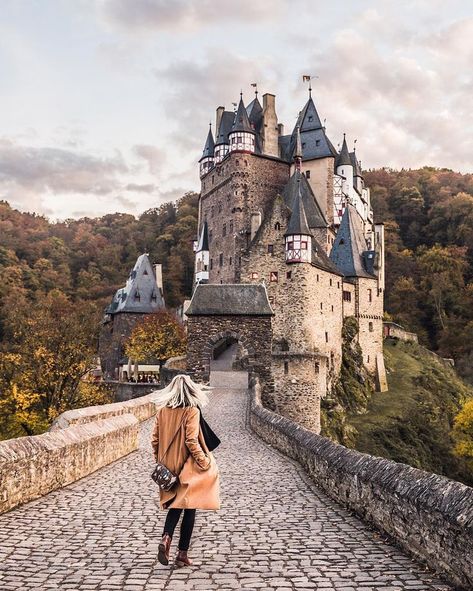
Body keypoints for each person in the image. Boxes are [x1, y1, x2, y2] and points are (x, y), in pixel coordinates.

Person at [151, 374, 220, 568]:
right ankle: (182, 554)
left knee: (175, 505)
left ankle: (166, 538)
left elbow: (154, 440)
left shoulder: (162, 411)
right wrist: (204, 461)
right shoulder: (191, 411)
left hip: (168, 467)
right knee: (190, 507)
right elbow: (191, 441)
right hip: (187, 465)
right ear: (191, 390)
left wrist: (160, 460)